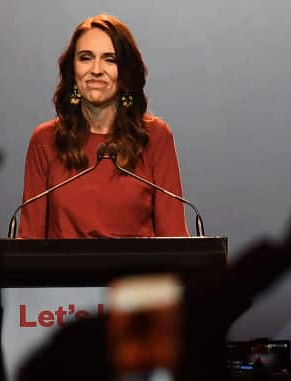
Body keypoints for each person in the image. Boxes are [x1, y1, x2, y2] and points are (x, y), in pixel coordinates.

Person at [19, 14, 189, 238]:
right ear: (73, 69)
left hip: (137, 263)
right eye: (86, 58)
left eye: (110, 59)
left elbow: (174, 237)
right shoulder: (45, 140)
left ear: (126, 71)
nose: (96, 70)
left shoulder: (156, 137)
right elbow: (29, 239)